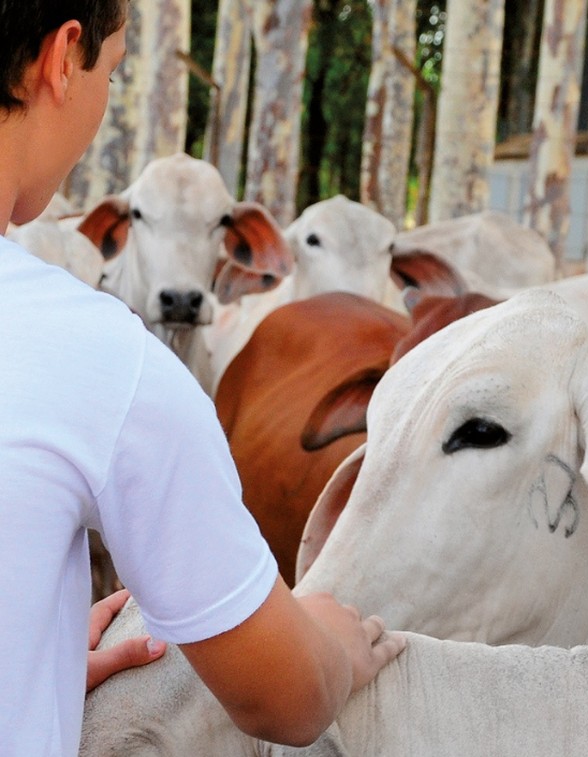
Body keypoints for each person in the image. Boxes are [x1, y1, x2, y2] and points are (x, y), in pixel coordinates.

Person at [0, 3, 405, 754]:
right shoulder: (99, 357)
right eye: (114, 72)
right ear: (62, 59)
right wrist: (336, 652)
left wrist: (28, 665)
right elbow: (282, 699)